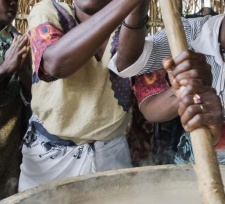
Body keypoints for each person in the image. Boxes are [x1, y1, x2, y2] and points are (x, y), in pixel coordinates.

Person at [110, 0, 225, 168]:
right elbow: (127, 64)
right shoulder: (188, 32)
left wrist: (223, 133)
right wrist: (138, 5)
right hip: (191, 165)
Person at [20, 0, 149, 191]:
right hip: (49, 159)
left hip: (110, 154)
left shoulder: (129, 25)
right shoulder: (48, 11)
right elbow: (55, 64)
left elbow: (127, 65)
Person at [0, 0, 31, 199]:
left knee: (8, 198)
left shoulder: (18, 41)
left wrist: (22, 70)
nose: (13, 2)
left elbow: (35, 94)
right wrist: (5, 69)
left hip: (10, 141)